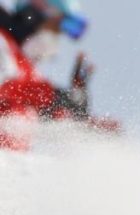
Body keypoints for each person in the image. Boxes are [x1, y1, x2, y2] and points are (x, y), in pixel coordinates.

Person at [0, 0, 118, 150]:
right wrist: (59, 97)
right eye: (55, 29)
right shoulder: (2, 42)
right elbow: (13, 89)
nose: (55, 39)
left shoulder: (24, 65)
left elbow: (48, 110)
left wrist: (81, 110)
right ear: (35, 15)